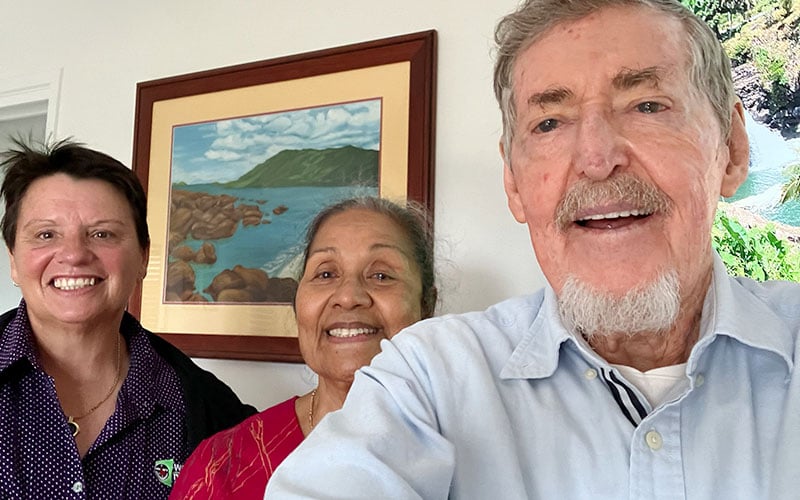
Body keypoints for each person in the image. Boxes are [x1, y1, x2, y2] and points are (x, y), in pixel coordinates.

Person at [265, 1, 800, 499]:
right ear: (514, 182)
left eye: (646, 105)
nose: (596, 157)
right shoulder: (428, 379)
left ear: (731, 149)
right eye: (549, 123)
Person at [0, 138, 256, 499]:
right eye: (46, 235)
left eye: (102, 233)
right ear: (13, 259)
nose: (74, 254)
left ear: (143, 257)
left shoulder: (209, 409)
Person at [169, 197, 437, 498]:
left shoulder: (478, 451)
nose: (348, 297)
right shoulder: (222, 466)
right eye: (326, 274)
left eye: (381, 275)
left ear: (427, 306)